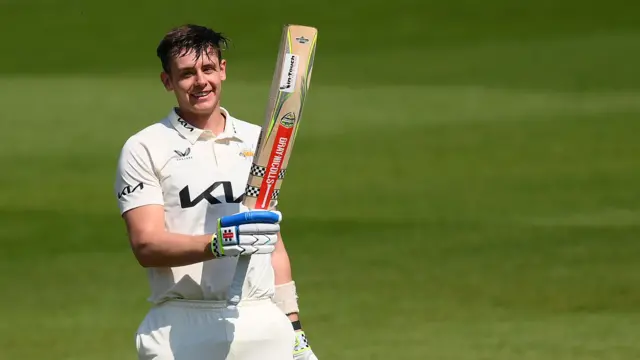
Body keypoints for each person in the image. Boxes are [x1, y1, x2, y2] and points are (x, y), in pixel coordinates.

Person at [113, 24, 319, 360]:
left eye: (208, 68)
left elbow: (272, 242)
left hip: (261, 320)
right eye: (187, 74)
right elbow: (146, 245)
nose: (200, 82)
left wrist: (294, 327)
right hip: (183, 325)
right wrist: (218, 243)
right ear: (168, 82)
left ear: (222, 70)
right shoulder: (145, 147)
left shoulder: (259, 141)